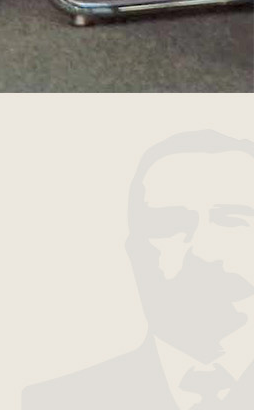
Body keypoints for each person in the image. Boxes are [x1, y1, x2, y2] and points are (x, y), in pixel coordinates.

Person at [24, 131, 254, 408]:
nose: (203, 252)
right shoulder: (56, 401)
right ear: (136, 253)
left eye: (234, 221)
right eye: (170, 225)